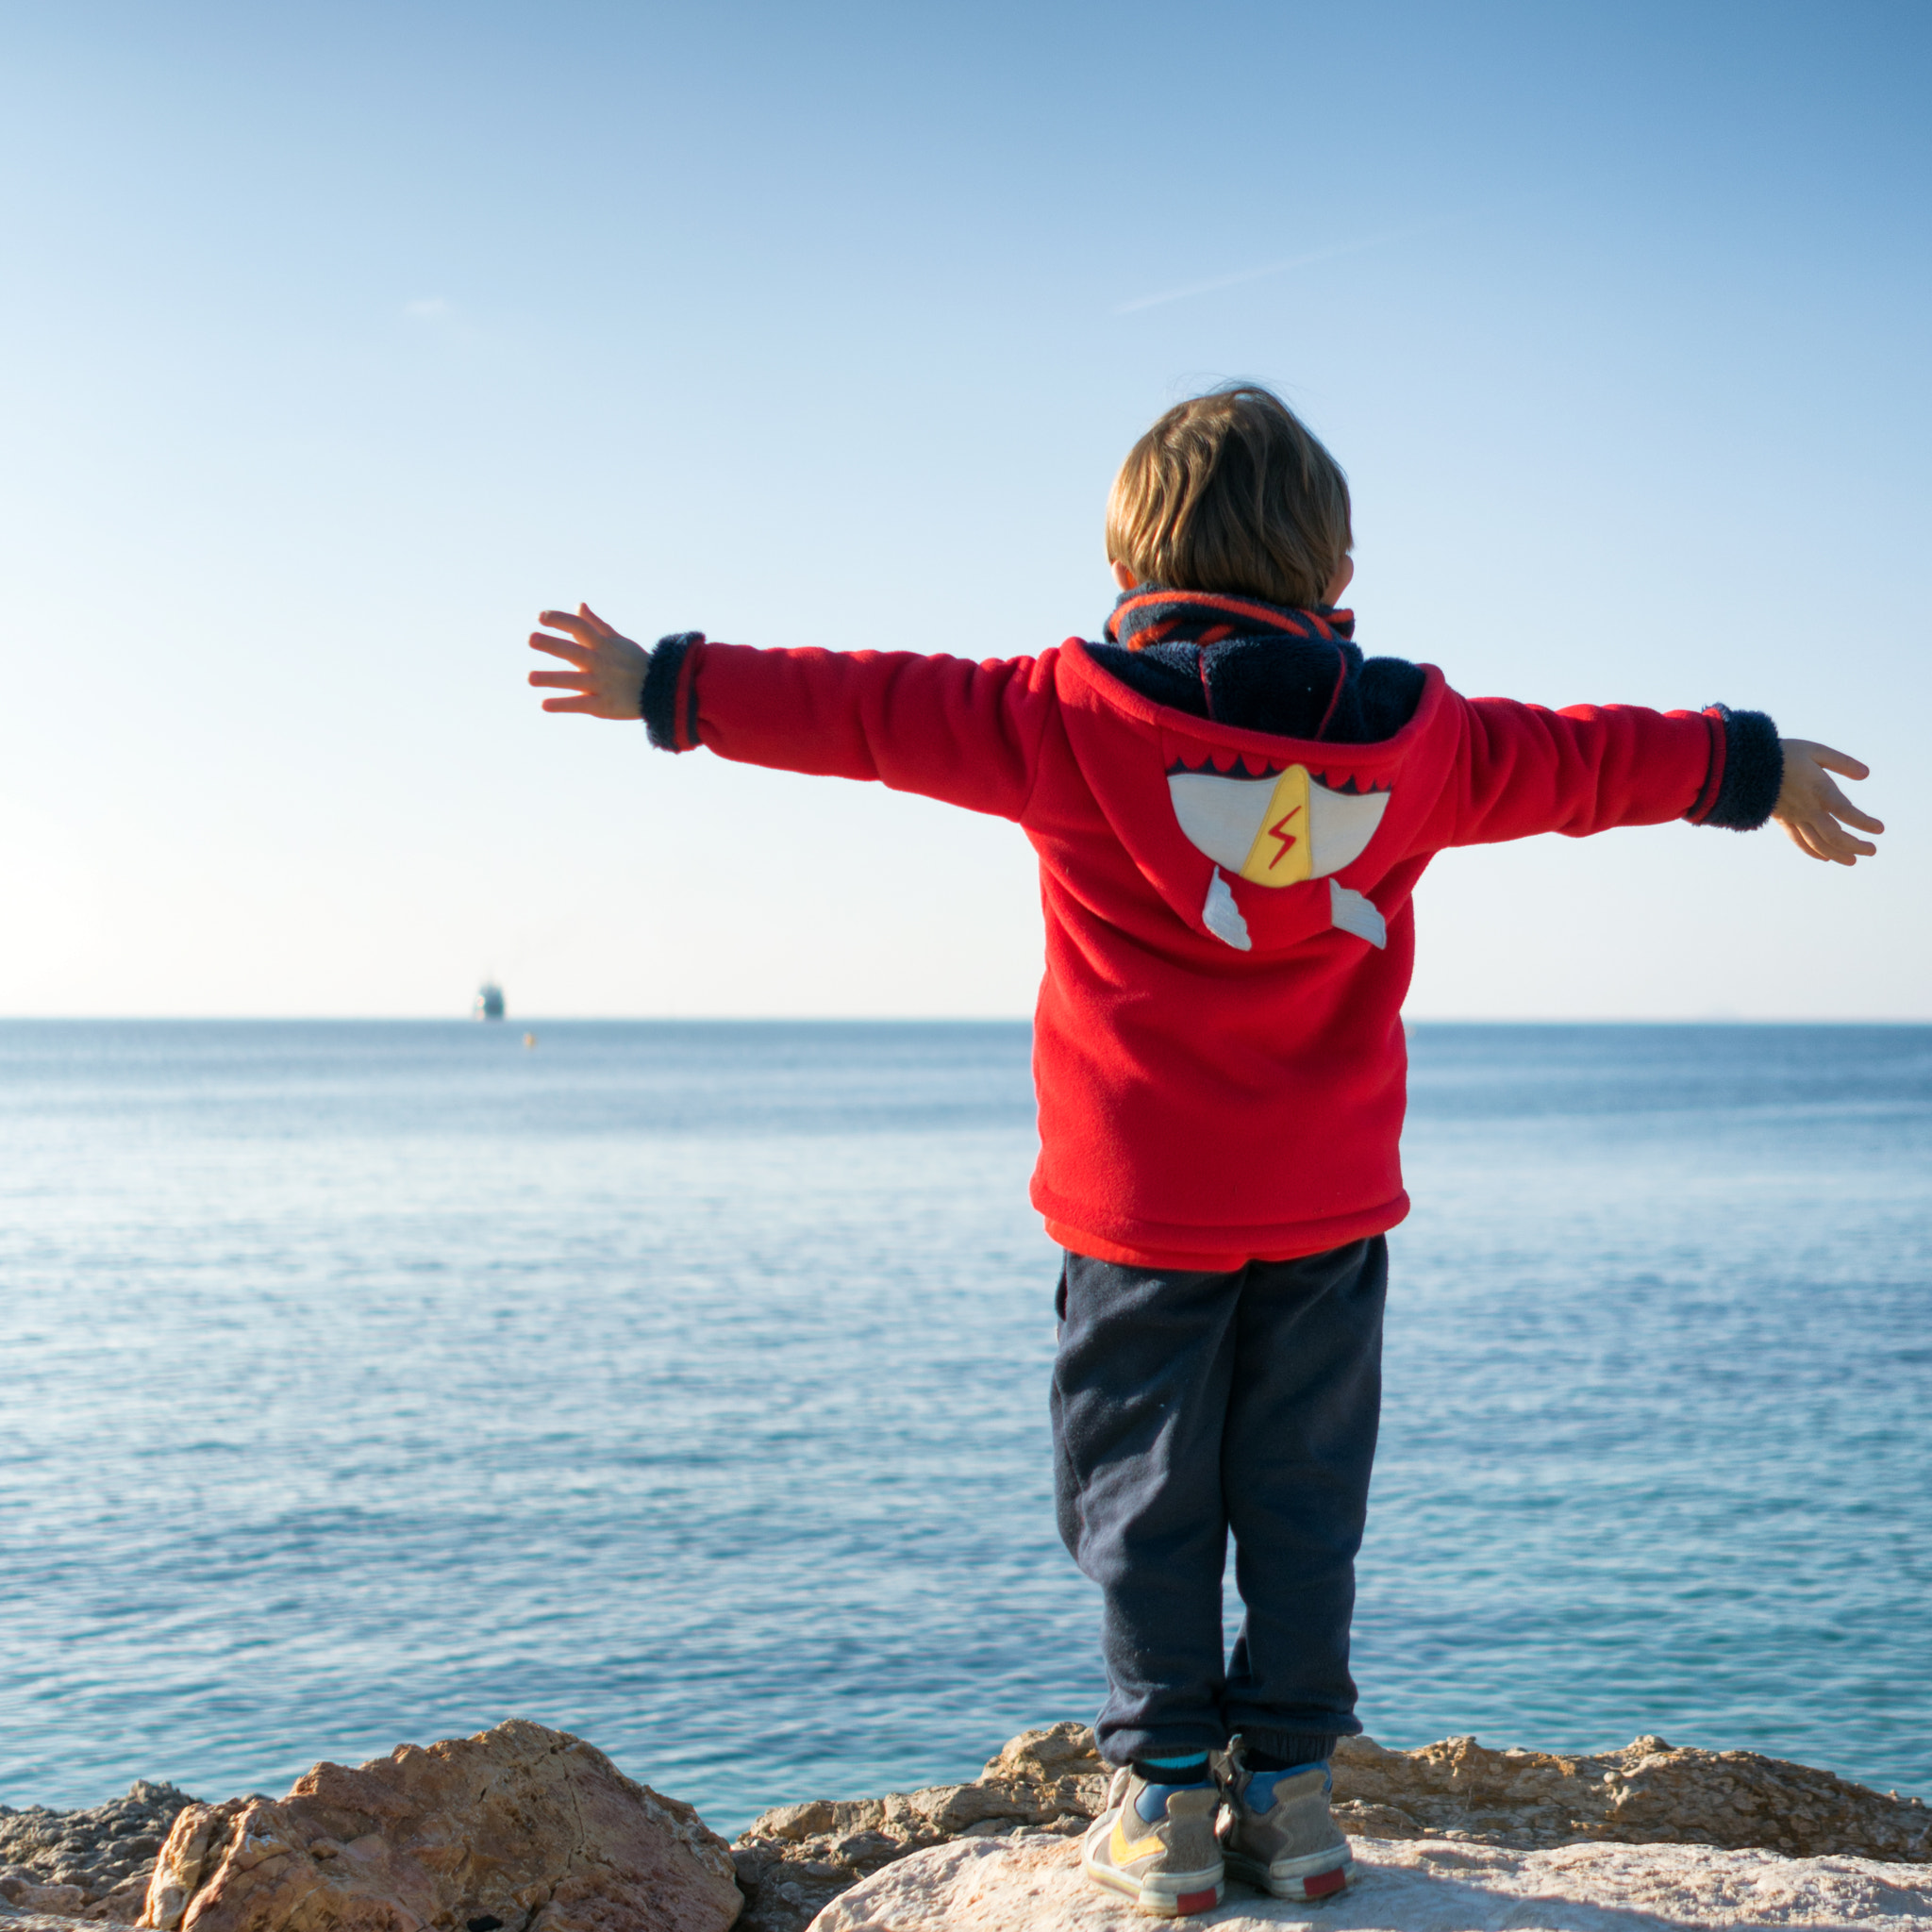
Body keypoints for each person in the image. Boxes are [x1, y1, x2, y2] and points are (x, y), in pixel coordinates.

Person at [526, 385, 1882, 1917]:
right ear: (1334, 562)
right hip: (1328, 1205)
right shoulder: (1421, 744)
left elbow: (867, 711)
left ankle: (1166, 1804)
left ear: (1131, 561)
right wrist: (1749, 769)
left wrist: (672, 686)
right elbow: (1583, 762)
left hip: (1138, 1212)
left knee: (1136, 1491)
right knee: (1303, 1493)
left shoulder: (1058, 714)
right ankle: (1294, 1805)